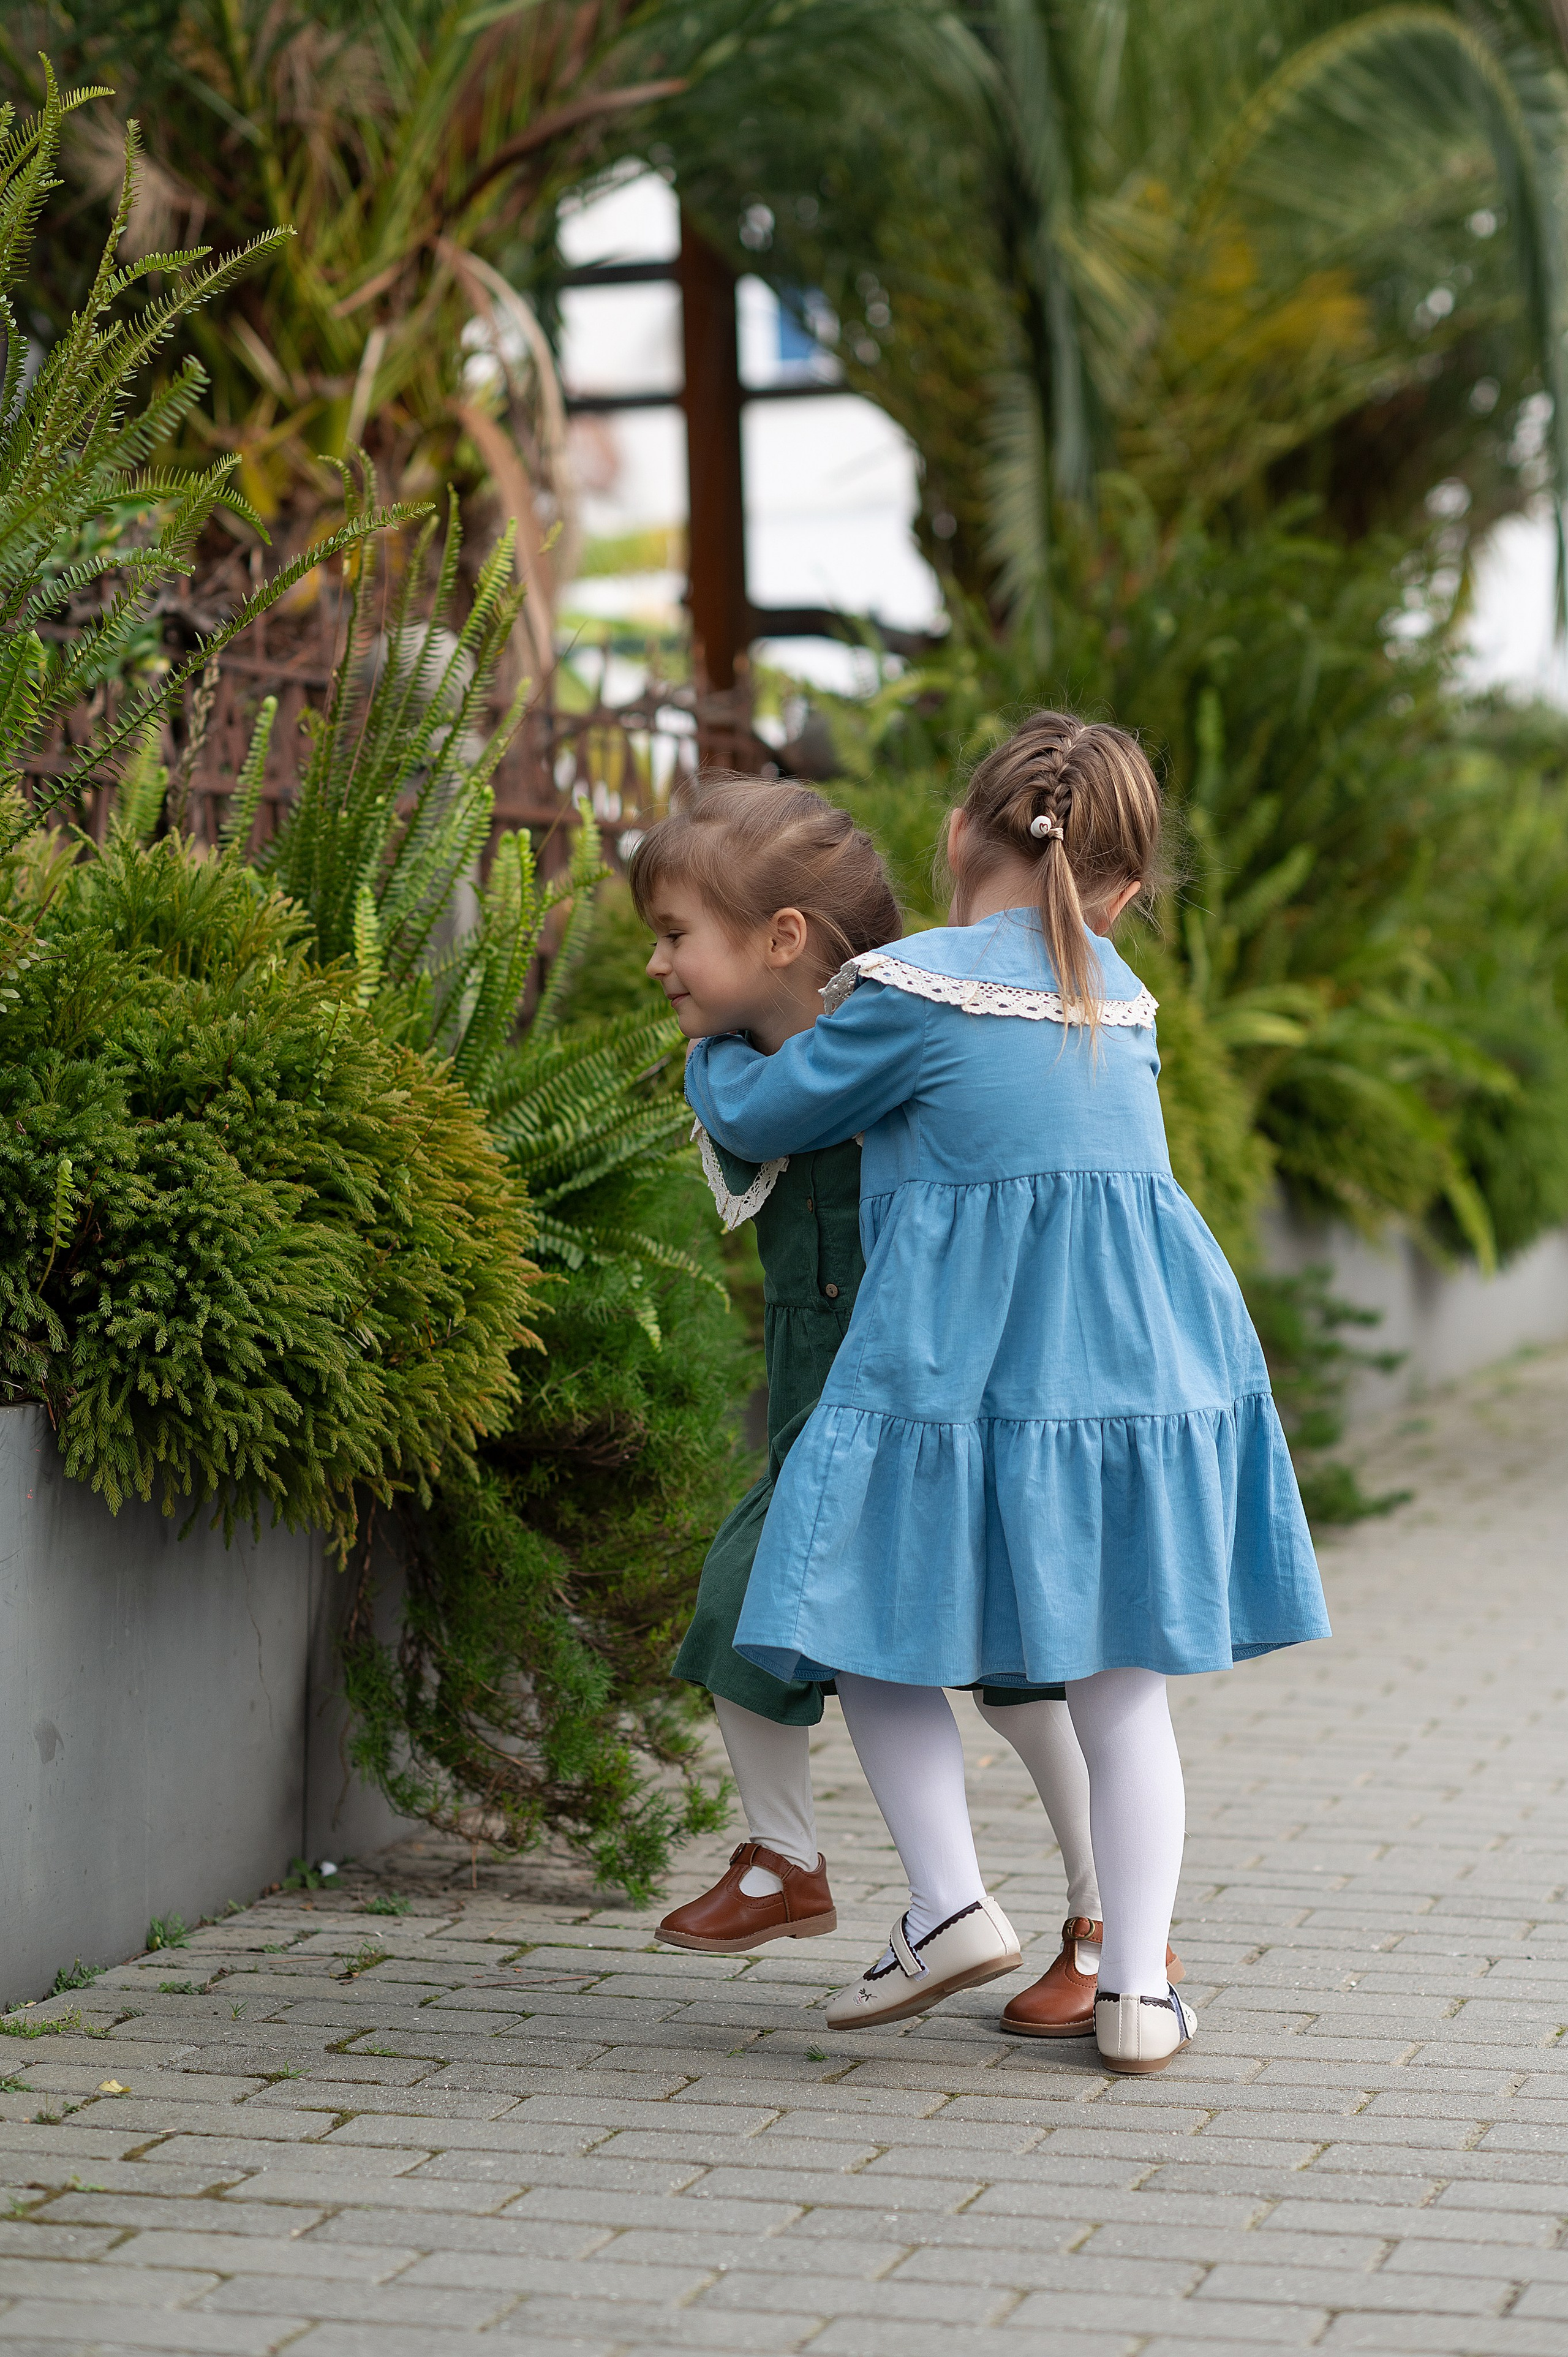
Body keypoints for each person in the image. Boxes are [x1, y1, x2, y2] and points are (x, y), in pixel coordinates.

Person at [684, 715, 1329, 2074]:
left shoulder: (914, 988)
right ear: (1126, 892)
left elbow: (771, 1114)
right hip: (1142, 1372)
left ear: (957, 837)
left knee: (867, 1626)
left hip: (962, 1371)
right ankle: (1139, 1989)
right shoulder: (1121, 995)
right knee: (1118, 1690)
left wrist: (710, 1053)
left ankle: (944, 1904)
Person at [630, 775, 1152, 2035]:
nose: (656, 966)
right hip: (861, 1399)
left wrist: (714, 1066)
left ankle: (1092, 1922)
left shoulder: (901, 1022)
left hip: (928, 1402)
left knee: (1022, 1675)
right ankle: (802, 1861)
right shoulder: (854, 1024)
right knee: (773, 1610)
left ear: (783, 938)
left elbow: (788, 1116)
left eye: (673, 935)